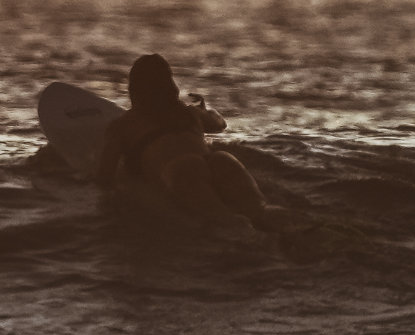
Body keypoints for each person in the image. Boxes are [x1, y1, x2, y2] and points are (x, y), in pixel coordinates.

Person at [96, 53, 285, 231]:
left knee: (229, 224)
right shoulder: (190, 113)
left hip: (180, 171)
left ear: (134, 89)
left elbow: (104, 177)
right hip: (221, 161)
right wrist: (203, 109)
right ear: (170, 85)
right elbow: (220, 123)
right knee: (262, 212)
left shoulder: (122, 125)